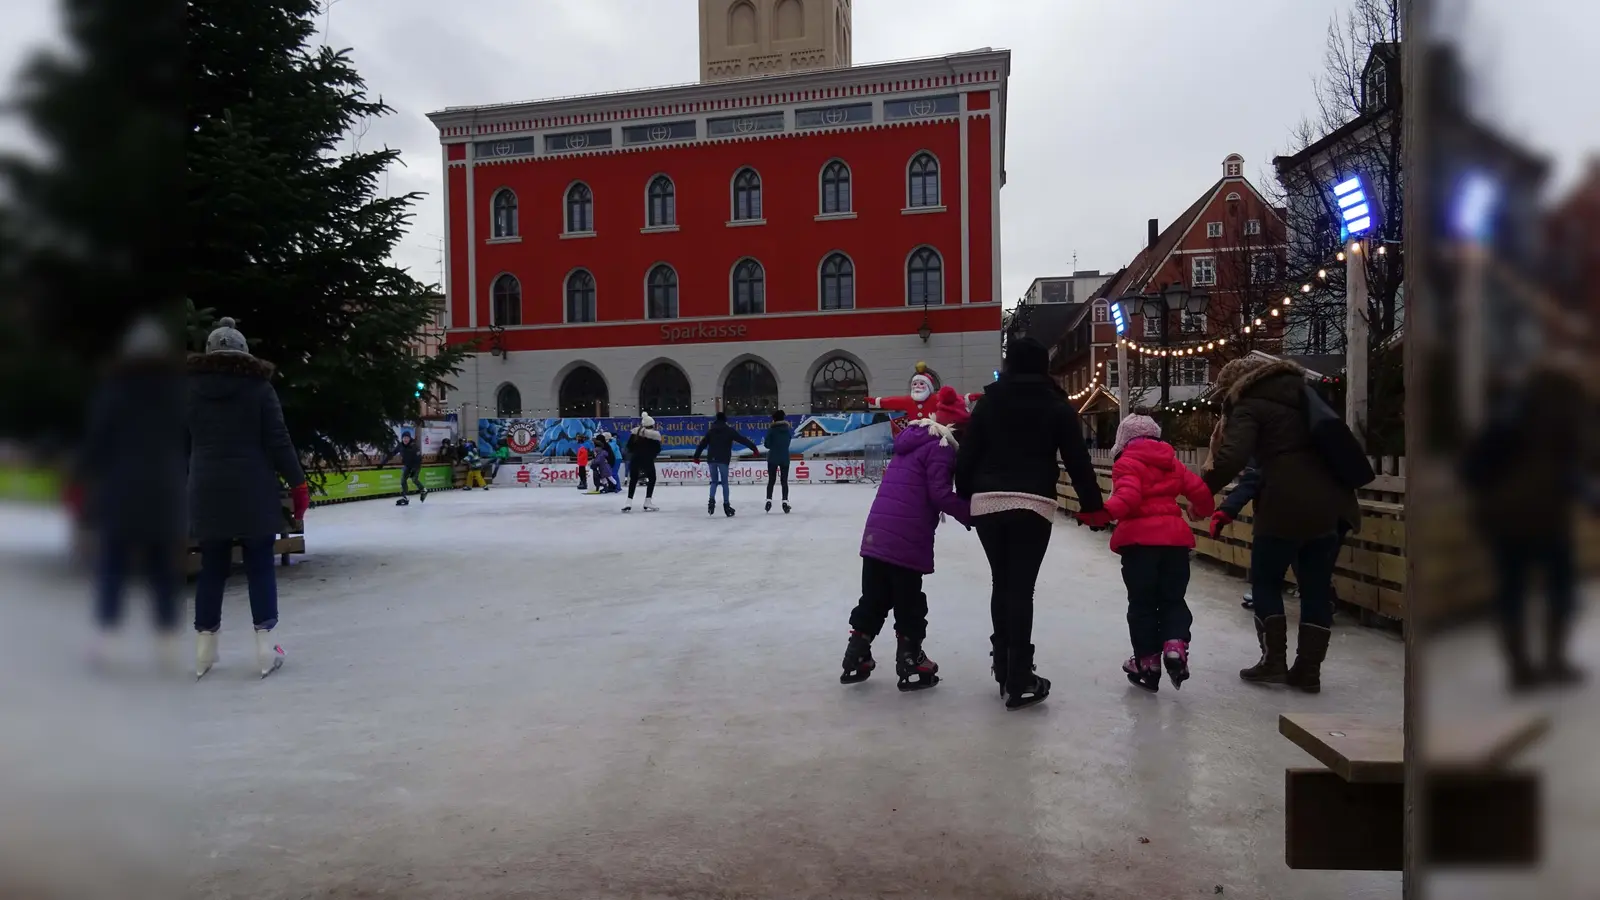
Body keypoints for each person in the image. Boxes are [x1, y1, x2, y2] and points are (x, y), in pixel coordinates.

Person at [956, 336, 1105, 710]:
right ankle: (1019, 675)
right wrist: (1093, 507)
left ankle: (1003, 665)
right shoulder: (1056, 405)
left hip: (989, 503)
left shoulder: (988, 402)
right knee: (1021, 588)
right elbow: (1078, 460)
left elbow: (967, 456)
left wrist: (966, 496)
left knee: (1001, 582)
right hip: (1033, 504)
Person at [1203, 356, 1360, 694]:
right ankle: (1309, 670)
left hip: (1285, 504)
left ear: (1236, 386)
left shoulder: (1250, 404)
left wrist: (1201, 491)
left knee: (1266, 581)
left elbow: (1233, 458)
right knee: (1316, 587)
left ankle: (1273, 661)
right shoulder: (1307, 395)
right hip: (1332, 505)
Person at [186, 317, 309, 679]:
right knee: (259, 563)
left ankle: (204, 650)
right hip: (253, 487)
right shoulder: (259, 389)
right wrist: (298, 484)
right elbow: (279, 440)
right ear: (244, 354)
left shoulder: (188, 390)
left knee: (212, 565)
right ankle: (266, 649)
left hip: (206, 488)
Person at [1459, 353, 1590, 690]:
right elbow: (1571, 471)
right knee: (1560, 586)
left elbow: (1473, 468)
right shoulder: (1562, 416)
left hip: (1504, 517)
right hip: (1547, 515)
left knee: (1512, 588)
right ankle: (1554, 661)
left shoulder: (1508, 411)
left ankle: (1520, 668)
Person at [841, 387, 972, 690]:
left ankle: (856, 654)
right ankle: (911, 658)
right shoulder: (941, 447)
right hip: (907, 536)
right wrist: (971, 514)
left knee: (874, 597)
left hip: (877, 533)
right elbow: (939, 494)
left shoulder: (912, 441)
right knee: (909, 601)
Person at [1078, 411, 1214, 692]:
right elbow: (1201, 492)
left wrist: (1101, 514)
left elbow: (1128, 496)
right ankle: (1175, 645)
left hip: (1140, 546)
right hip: (1175, 544)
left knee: (1142, 604)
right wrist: (1200, 510)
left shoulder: (1127, 463)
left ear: (1123, 439)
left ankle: (1147, 662)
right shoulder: (1173, 463)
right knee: (1173, 599)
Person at [80, 316, 186, 670]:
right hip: (164, 491)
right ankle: (167, 643)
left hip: (121, 490)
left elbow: (96, 443)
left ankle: (107, 640)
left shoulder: (114, 390)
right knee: (162, 571)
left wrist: (85, 481)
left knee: (113, 566)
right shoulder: (176, 392)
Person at [694, 411, 760, 517]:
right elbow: (742, 439)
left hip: (712, 459)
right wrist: (754, 448)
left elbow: (702, 444)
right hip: (723, 459)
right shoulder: (729, 431)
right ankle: (726, 505)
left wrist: (696, 456)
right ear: (725, 420)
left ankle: (711, 501)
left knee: (714, 482)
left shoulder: (711, 431)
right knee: (724, 483)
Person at [623, 414, 664, 512]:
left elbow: (629, 446)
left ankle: (628, 501)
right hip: (647, 459)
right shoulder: (655, 435)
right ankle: (648, 501)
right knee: (652, 478)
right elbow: (657, 449)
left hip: (635, 458)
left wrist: (636, 452)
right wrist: (651, 455)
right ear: (652, 425)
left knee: (633, 479)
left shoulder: (635, 433)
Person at [764, 409, 793, 513]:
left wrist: (773, 446)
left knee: (771, 480)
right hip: (785, 458)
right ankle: (785, 502)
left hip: (773, 458)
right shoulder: (787, 430)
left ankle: (768, 500)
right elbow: (788, 442)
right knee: (784, 481)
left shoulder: (772, 430)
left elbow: (767, 444)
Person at [390, 431, 427, 506]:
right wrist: (383, 462)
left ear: (410, 438)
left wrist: (414, 469)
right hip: (407, 465)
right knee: (403, 480)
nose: (405, 439)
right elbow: (393, 453)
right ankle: (405, 497)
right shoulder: (400, 445)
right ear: (402, 438)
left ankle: (423, 490)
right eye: (404, 438)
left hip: (416, 465)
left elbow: (418, 459)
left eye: (407, 438)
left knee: (414, 479)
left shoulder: (414, 446)